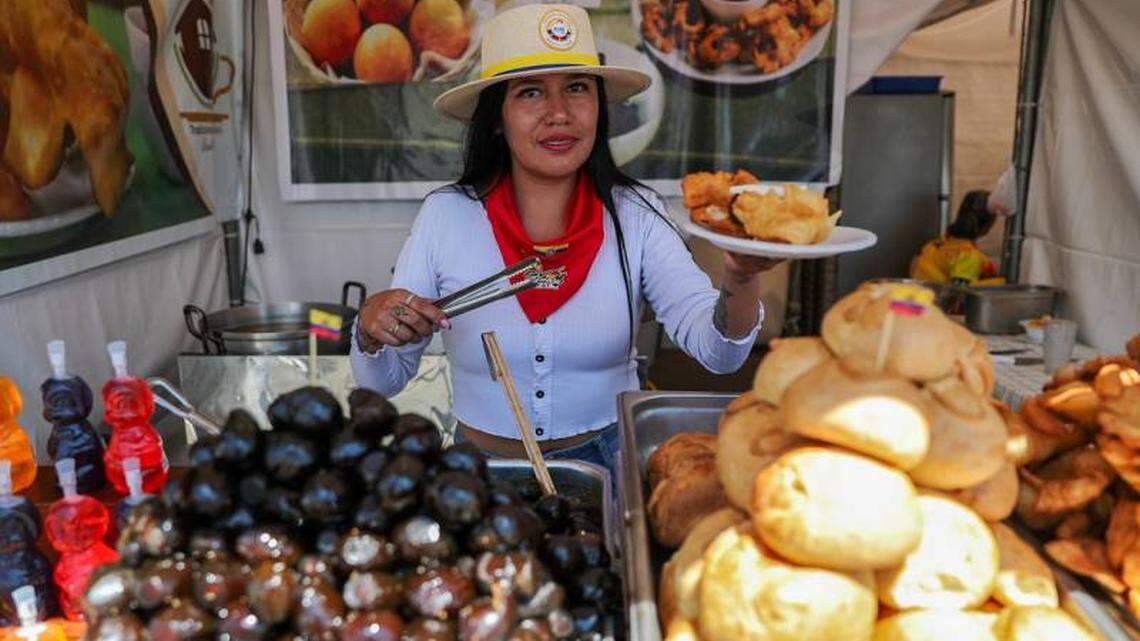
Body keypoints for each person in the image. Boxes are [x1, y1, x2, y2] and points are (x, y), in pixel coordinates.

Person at [350, 4, 779, 477]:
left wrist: (739, 275)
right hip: (477, 474)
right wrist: (372, 330)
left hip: (606, 467)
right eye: (530, 93)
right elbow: (385, 381)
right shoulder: (446, 216)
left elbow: (719, 354)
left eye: (576, 88)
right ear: (497, 117)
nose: (559, 114)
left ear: (599, 105)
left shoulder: (636, 214)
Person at [910, 190, 1006, 286]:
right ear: (988, 225)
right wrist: (1002, 282)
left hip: (918, 297)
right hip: (937, 299)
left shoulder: (933, 245)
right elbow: (960, 291)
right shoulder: (968, 254)